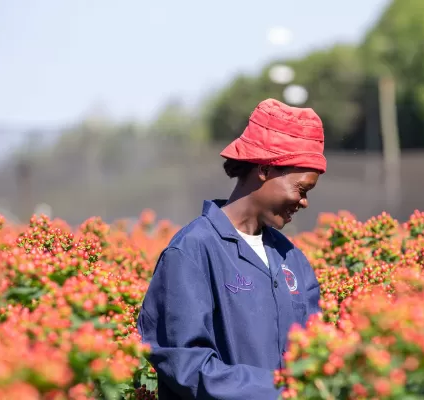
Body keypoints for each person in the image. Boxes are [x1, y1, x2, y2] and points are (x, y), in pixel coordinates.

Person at [137, 98, 325, 399]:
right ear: (264, 168)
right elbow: (186, 365)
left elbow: (317, 351)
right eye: (301, 189)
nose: (304, 202)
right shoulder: (192, 252)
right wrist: (283, 390)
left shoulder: (293, 259)